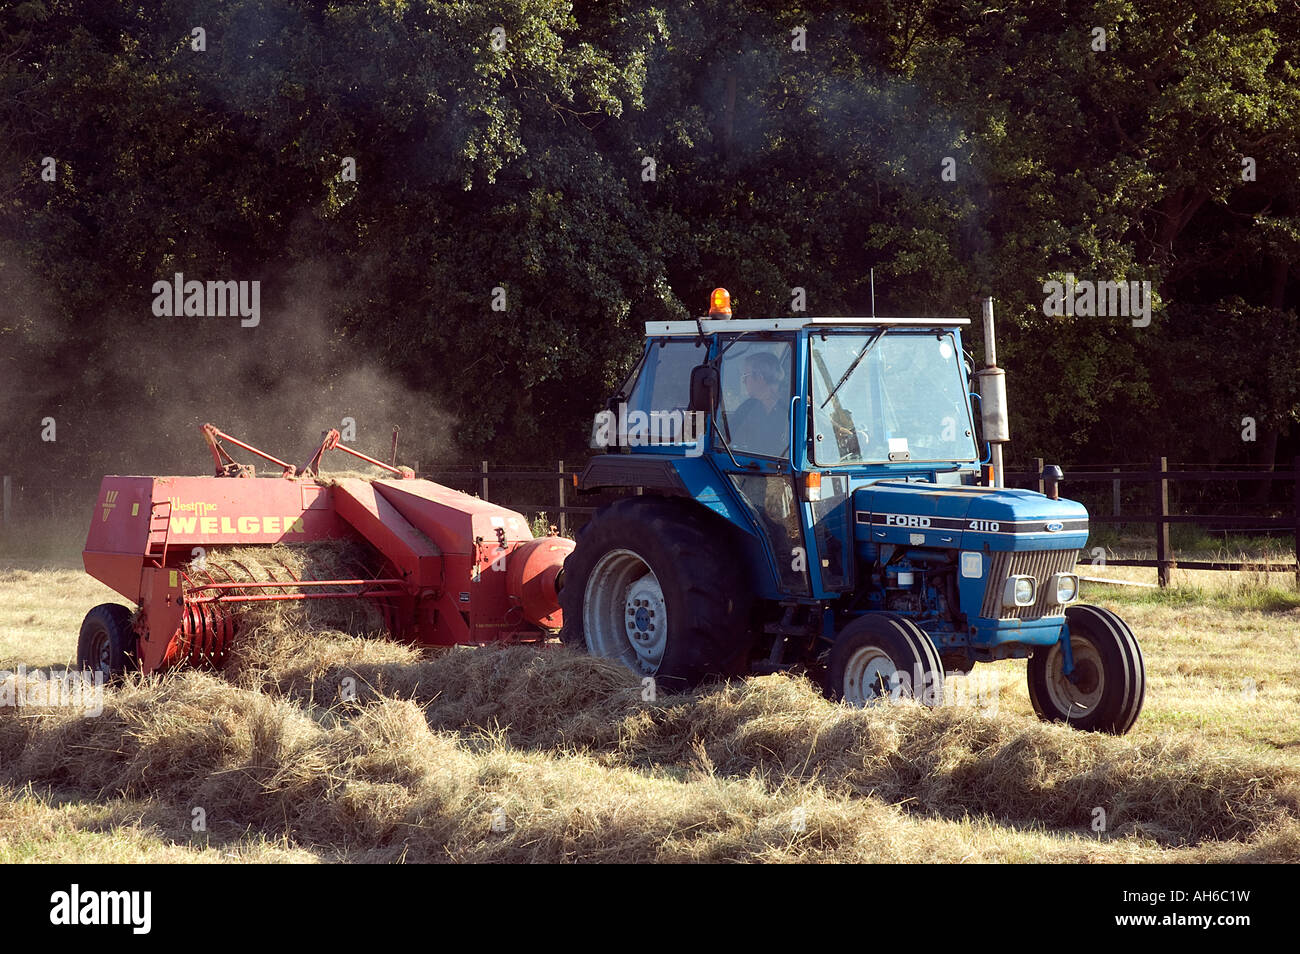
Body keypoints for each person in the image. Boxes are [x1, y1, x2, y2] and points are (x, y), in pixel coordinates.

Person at [727, 351, 789, 458]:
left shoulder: (793, 409)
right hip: (749, 467)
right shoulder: (747, 408)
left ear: (760, 377)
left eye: (745, 376)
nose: (743, 381)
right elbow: (726, 440)